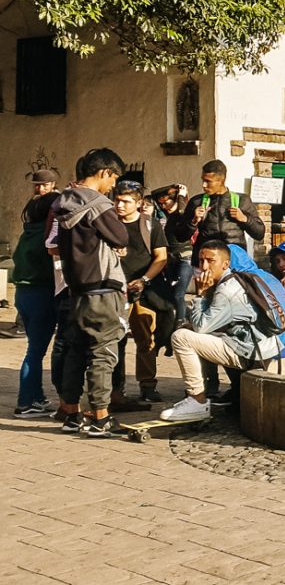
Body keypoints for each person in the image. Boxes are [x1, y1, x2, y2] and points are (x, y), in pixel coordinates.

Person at [159, 241, 285, 421]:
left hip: (257, 351)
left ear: (226, 264)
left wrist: (201, 294)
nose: (204, 267)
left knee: (181, 337)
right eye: (201, 261)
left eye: (210, 261)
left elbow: (201, 325)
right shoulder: (256, 277)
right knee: (199, 334)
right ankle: (210, 392)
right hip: (269, 344)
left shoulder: (228, 289)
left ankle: (196, 400)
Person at [55, 148, 130, 436]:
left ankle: (71, 413)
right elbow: (121, 236)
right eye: (113, 179)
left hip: (76, 289)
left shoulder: (64, 201)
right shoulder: (97, 203)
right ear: (104, 172)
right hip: (101, 287)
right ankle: (100, 417)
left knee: (76, 350)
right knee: (102, 352)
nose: (113, 186)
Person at [113, 181, 174, 403]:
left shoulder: (151, 226)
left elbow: (161, 257)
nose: (120, 205)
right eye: (117, 200)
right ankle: (115, 388)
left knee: (145, 340)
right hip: (113, 291)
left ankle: (147, 385)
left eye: (126, 201)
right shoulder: (108, 224)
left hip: (143, 291)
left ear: (138, 204)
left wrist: (144, 279)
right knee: (114, 341)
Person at [12, 169, 60, 417]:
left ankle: (37, 396)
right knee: (36, 351)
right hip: (41, 293)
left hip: (22, 292)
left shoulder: (27, 232)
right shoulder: (48, 238)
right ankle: (25, 403)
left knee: (34, 347)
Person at [153, 184, 193, 327]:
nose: (163, 206)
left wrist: (181, 196)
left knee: (178, 294)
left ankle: (179, 324)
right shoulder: (169, 216)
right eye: (161, 203)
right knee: (171, 295)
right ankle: (188, 316)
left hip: (186, 258)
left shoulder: (184, 214)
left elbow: (183, 212)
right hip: (172, 259)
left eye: (166, 202)